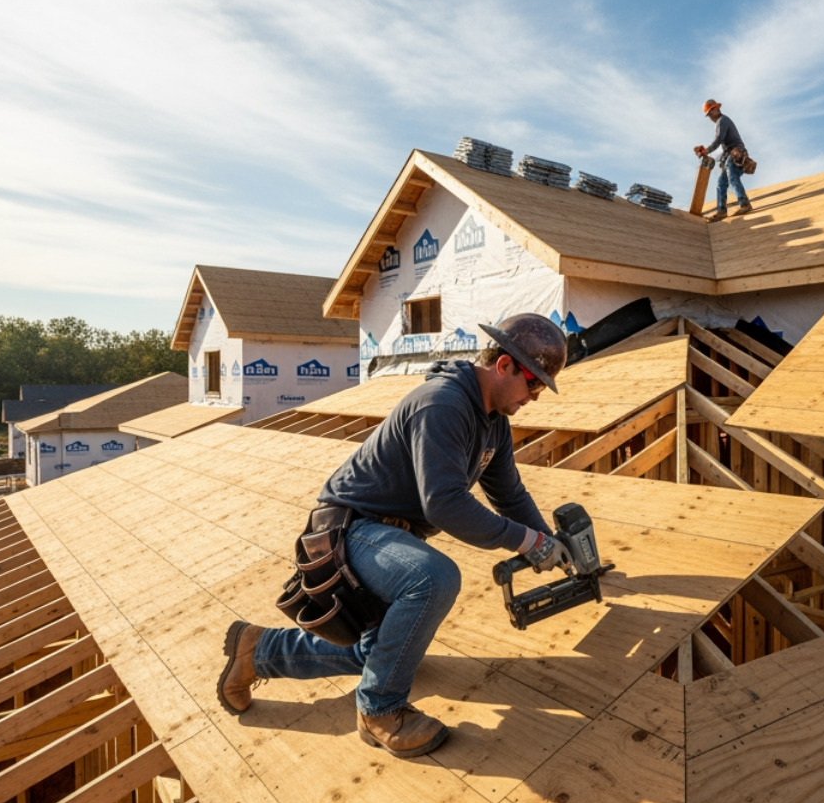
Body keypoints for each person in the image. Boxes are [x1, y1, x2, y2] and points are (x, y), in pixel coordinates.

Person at [216, 314, 572, 758]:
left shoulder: (493, 423)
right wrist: (525, 542)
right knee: (434, 578)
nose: (534, 397)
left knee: (385, 655)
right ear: (504, 366)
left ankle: (259, 650)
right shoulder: (442, 404)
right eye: (533, 385)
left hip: (388, 537)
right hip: (349, 530)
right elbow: (443, 504)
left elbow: (509, 494)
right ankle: (379, 711)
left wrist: (552, 541)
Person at [693, 99, 752, 221]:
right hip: (729, 154)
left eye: (710, 113)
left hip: (737, 152)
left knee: (732, 176)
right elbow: (720, 144)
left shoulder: (723, 121)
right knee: (721, 183)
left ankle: (745, 204)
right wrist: (707, 151)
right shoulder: (720, 122)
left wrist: (706, 151)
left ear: (716, 109)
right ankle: (721, 211)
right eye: (708, 115)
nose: (709, 117)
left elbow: (718, 140)